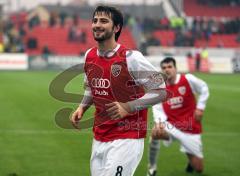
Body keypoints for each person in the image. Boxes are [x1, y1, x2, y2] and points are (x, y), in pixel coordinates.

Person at [71, 5, 168, 176]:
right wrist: (82, 107)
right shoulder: (89, 55)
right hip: (99, 136)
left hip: (127, 137)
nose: (97, 24)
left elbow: (161, 90)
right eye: (95, 20)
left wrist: (128, 107)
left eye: (104, 21)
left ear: (116, 28)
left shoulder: (131, 58)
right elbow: (92, 88)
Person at [147, 57, 209, 176]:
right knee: (155, 133)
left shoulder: (188, 79)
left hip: (191, 128)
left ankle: (189, 156)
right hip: (171, 126)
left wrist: (200, 108)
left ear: (176, 68)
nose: (167, 70)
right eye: (164, 68)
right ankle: (152, 168)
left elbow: (204, 88)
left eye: (170, 67)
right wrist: (159, 122)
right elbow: (157, 108)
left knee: (199, 168)